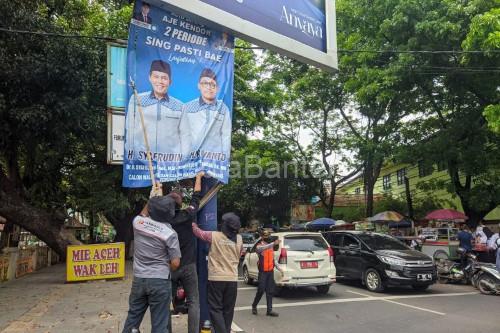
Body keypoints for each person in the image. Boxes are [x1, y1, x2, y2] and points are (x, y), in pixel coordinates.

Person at [122, 195, 181, 333]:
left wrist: (152, 199)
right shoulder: (170, 233)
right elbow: (175, 263)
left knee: (133, 318)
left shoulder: (138, 223)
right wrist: (165, 267)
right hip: (159, 281)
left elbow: (145, 211)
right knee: (159, 324)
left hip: (139, 279)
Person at [125, 60, 188, 161]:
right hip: (142, 163)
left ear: (170, 81)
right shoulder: (137, 99)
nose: (160, 81)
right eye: (156, 76)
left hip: (169, 166)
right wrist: (132, 158)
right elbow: (130, 131)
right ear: (149, 77)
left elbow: (185, 137)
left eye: (164, 78)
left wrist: (181, 161)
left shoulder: (180, 106)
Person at [192, 213, 242, 333]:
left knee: (215, 309)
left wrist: (192, 223)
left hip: (216, 278)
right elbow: (240, 254)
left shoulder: (214, 236)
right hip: (232, 279)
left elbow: (199, 233)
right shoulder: (239, 239)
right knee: (228, 310)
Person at [167, 173, 204, 333]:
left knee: (165, 302)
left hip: (170, 266)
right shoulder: (187, 215)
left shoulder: (162, 222)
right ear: (181, 202)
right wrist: (198, 178)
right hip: (188, 265)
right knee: (194, 301)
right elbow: (196, 197)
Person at [182, 68, 232, 157]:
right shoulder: (187, 108)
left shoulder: (223, 109)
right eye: (205, 83)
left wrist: (225, 159)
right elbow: (183, 135)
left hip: (215, 161)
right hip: (192, 160)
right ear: (199, 86)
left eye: (213, 85)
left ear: (217, 88)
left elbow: (226, 137)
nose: (209, 88)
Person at [251, 229, 282, 317]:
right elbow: (263, 248)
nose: (267, 237)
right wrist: (273, 244)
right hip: (263, 272)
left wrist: (279, 268)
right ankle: (254, 305)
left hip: (270, 271)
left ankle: (269, 310)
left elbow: (273, 259)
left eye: (268, 236)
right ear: (262, 237)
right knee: (261, 289)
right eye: (265, 236)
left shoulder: (270, 246)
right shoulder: (259, 246)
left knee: (270, 291)